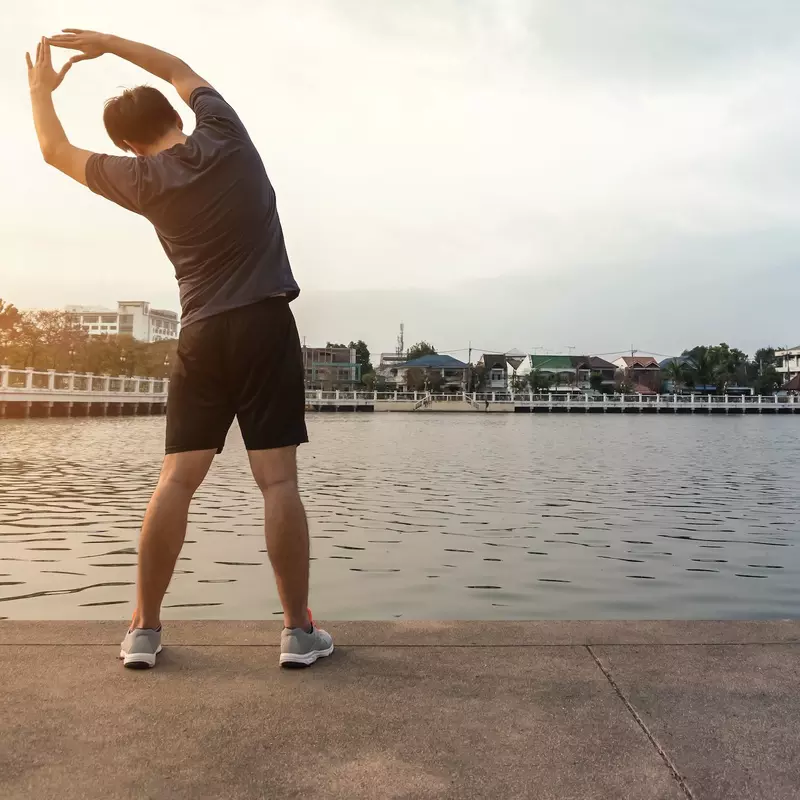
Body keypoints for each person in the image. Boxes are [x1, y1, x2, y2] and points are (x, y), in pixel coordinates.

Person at [26, 31, 333, 669]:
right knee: (277, 481)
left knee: (175, 481)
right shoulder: (224, 131)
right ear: (175, 115)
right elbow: (176, 67)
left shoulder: (138, 179)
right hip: (263, 324)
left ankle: (143, 629)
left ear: (129, 145)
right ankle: (297, 633)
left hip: (200, 335)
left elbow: (53, 150)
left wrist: (40, 89)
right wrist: (107, 45)